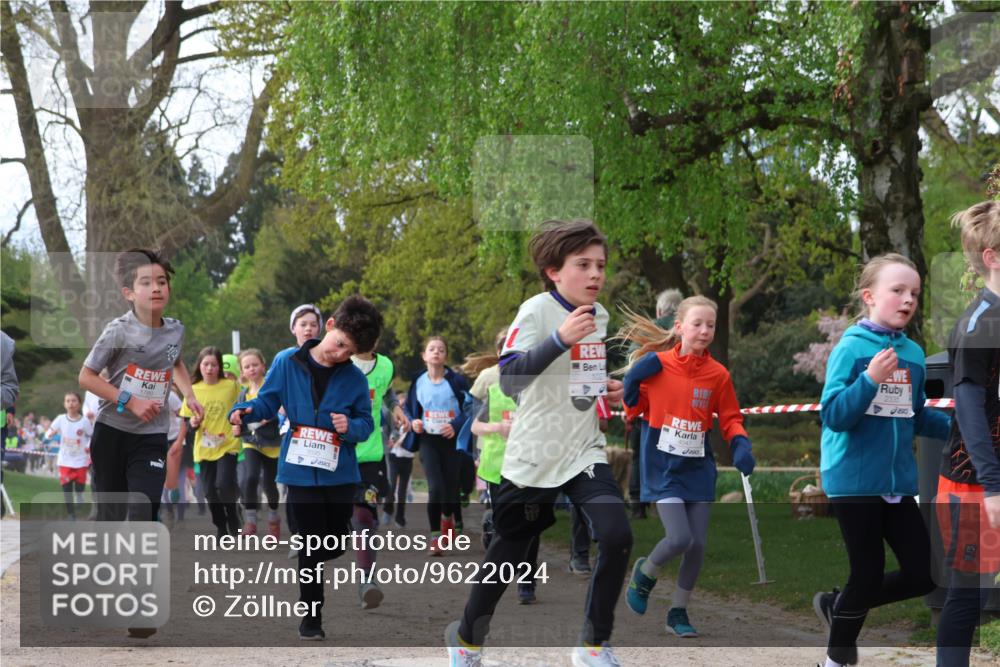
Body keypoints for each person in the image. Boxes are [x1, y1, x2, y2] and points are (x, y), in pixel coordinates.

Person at [445, 219, 630, 667]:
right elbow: (510, 379)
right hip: (534, 453)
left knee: (617, 534)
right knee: (506, 556)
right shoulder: (535, 312)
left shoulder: (599, 316)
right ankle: (467, 639)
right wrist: (558, 339)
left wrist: (604, 387)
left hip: (582, 449)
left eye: (601, 265)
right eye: (583, 265)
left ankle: (592, 644)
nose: (595, 275)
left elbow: (577, 382)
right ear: (553, 271)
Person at [812, 253, 952, 667]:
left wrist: (960, 432)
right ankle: (835, 662)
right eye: (898, 291)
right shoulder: (851, 348)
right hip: (852, 481)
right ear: (869, 296)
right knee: (867, 574)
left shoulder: (912, 353)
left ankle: (838, 604)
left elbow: (916, 413)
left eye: (914, 293)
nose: (908, 299)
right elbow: (834, 414)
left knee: (923, 574)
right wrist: (869, 379)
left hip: (896, 484)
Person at [229, 295, 382, 641]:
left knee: (336, 542)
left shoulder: (355, 380)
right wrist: (244, 412)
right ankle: (311, 618)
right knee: (311, 549)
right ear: (329, 326)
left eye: (351, 352)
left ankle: (315, 550)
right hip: (298, 471)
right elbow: (267, 400)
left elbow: (365, 425)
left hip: (339, 474)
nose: (342, 354)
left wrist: (350, 427)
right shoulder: (286, 362)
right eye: (341, 343)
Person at [619, 296, 756, 638]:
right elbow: (633, 410)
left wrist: (739, 442)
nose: (705, 331)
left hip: (698, 467)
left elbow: (730, 417)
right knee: (679, 537)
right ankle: (645, 574)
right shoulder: (657, 365)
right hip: (663, 467)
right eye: (697, 324)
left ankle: (678, 611)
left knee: (697, 545)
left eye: (711, 325)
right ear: (679, 327)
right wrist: (632, 383)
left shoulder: (718, 374)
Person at [79, 249, 204, 524]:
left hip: (151, 435)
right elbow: (87, 377)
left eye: (161, 281)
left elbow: (176, 361)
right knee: (110, 516)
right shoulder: (118, 330)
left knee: (144, 510)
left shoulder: (175, 331)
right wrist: (131, 401)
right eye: (146, 283)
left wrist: (190, 395)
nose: (156, 288)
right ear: (129, 293)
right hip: (112, 431)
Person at [934, 201, 1000, 667]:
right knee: (969, 595)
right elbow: (971, 408)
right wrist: (993, 485)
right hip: (972, 482)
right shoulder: (978, 323)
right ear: (993, 257)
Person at [350, 343, 408, 609]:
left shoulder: (384, 365)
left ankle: (367, 581)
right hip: (334, 454)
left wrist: (395, 407)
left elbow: (386, 392)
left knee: (364, 517)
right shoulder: (336, 361)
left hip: (370, 457)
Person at [403, 336, 470, 556]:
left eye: (441, 350)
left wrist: (456, 425)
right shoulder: (418, 381)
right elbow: (410, 410)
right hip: (429, 440)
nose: (436, 353)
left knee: (450, 489)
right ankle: (435, 537)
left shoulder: (457, 381)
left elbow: (470, 409)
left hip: (451, 441)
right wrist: (414, 422)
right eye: (431, 349)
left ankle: (447, 517)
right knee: (435, 488)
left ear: (446, 356)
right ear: (424, 356)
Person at [626, 288, 682, 520]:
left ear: (659, 310)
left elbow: (631, 369)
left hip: (647, 405)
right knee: (677, 455)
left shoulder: (646, 331)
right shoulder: (687, 330)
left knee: (641, 454)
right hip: (679, 405)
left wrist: (630, 405)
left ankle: (638, 505)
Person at [181, 346, 242, 538]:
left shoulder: (231, 387)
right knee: (209, 492)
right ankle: (221, 526)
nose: (209, 368)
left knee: (224, 484)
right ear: (199, 366)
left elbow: (243, 406)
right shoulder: (192, 391)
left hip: (227, 444)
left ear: (219, 367)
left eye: (213, 365)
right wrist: (193, 423)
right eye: (205, 364)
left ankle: (233, 515)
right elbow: (187, 422)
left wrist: (240, 421)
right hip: (204, 447)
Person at [236, 349, 282, 538]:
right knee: (250, 477)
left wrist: (265, 418)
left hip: (271, 442)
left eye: (255, 365)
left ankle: (273, 518)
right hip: (251, 441)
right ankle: (251, 520)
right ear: (243, 371)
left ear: (263, 366)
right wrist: (236, 425)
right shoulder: (244, 394)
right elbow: (237, 415)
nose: (252, 369)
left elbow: (279, 408)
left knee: (269, 485)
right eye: (247, 366)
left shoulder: (270, 388)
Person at [44, 392, 94, 520]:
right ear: (64, 404)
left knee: (79, 487)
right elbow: (48, 432)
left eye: (74, 400)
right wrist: (50, 434)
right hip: (65, 461)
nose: (71, 403)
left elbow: (91, 436)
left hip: (81, 460)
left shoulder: (84, 421)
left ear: (79, 403)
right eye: (68, 401)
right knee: (66, 489)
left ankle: (79, 495)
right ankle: (71, 515)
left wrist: (88, 446)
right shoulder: (60, 419)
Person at [384, 391, 413, 528]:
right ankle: (387, 510)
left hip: (407, 458)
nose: (402, 408)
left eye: (404, 405)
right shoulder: (392, 417)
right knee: (391, 486)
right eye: (400, 405)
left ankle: (400, 517)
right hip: (394, 456)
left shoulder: (412, 419)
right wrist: (392, 440)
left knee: (403, 491)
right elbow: (389, 432)